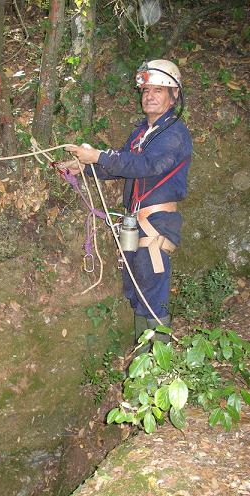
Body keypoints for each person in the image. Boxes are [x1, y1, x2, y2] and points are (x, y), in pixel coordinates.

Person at [63, 59, 193, 348]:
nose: (149, 95)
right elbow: (119, 167)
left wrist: (97, 155)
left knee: (151, 293)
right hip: (134, 224)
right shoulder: (140, 133)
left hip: (156, 225)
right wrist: (82, 168)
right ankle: (145, 361)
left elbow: (147, 164)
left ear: (173, 97)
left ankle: (157, 368)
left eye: (158, 90)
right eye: (146, 90)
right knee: (135, 291)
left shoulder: (174, 134)